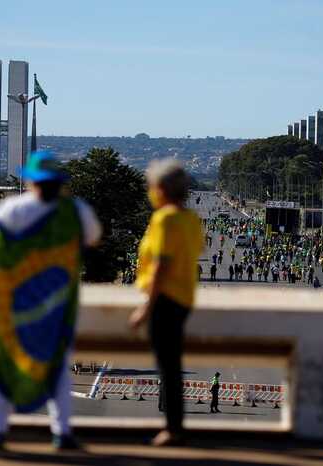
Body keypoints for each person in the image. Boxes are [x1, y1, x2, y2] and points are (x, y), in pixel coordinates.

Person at [0, 150, 102, 452]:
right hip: (55, 307)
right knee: (58, 370)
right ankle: (62, 432)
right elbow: (94, 237)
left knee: (6, 367)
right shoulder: (75, 211)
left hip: (13, 306)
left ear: (30, 182)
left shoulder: (10, 211)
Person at [131, 159, 203, 447]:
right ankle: (175, 426)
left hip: (165, 300)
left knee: (169, 368)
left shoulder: (164, 219)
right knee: (171, 366)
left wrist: (146, 307)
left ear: (160, 189)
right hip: (184, 297)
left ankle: (174, 428)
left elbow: (161, 265)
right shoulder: (190, 218)